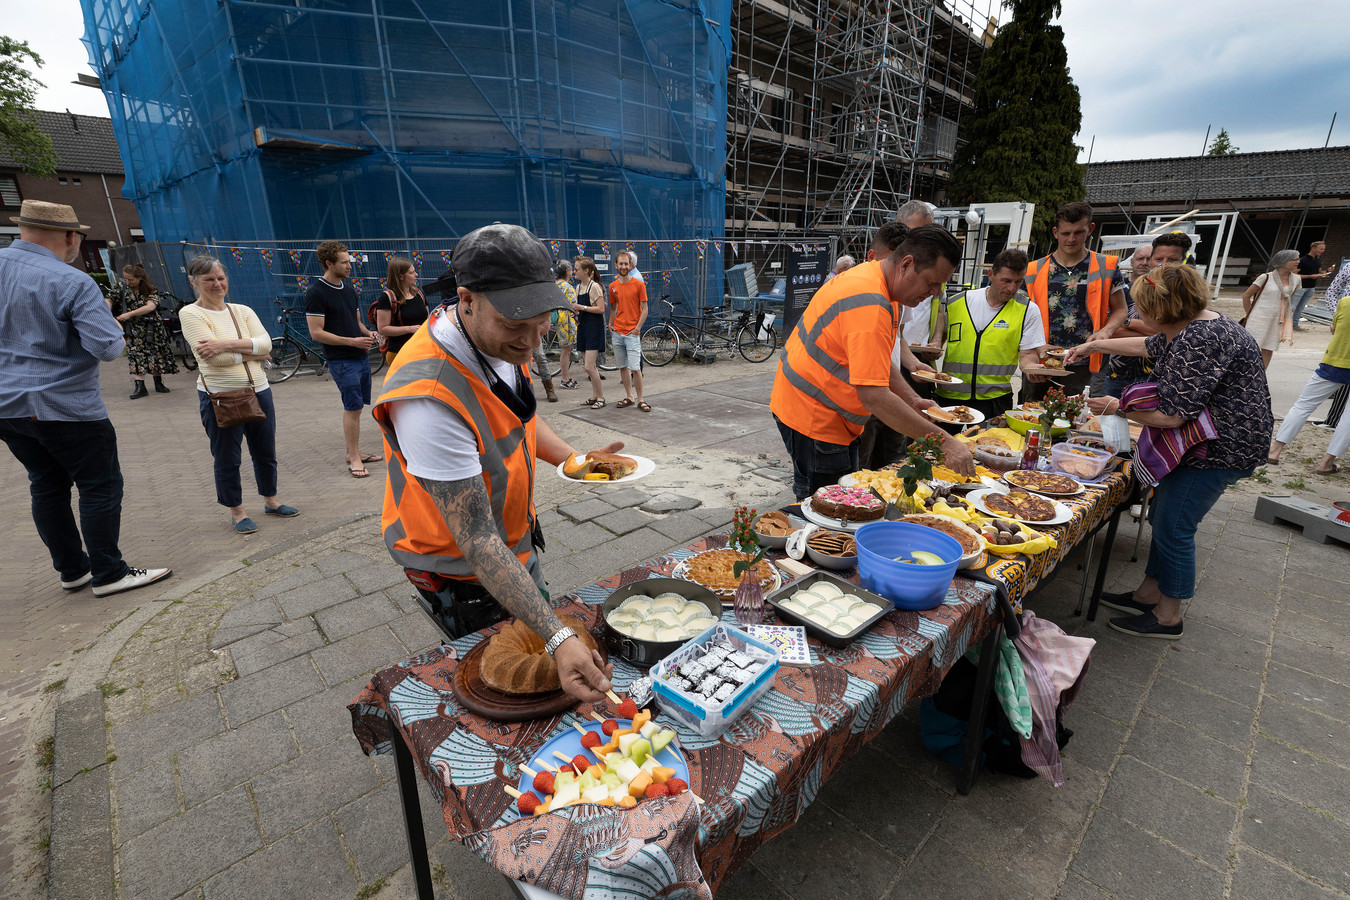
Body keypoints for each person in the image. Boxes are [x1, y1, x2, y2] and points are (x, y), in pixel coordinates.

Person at [372, 223, 616, 702]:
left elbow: (522, 419)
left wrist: (576, 459)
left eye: (541, 321)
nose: (532, 342)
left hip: (512, 541)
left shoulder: (495, 336)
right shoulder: (430, 398)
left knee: (543, 648)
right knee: (500, 681)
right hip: (460, 570)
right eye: (516, 324)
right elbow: (477, 540)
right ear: (467, 299)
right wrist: (558, 637)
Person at [1067, 264, 1271, 640]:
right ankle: (1148, 594)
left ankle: (1168, 617)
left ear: (1162, 309)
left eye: (1141, 306)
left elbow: (1173, 416)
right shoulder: (1195, 325)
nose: (1136, 314)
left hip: (1218, 449)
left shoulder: (1201, 338)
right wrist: (1094, 345)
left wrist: (1117, 407)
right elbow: (1148, 345)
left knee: (1174, 527)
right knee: (1164, 515)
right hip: (1212, 442)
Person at [0, 200, 171, 597]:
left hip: (7, 405)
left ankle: (73, 570)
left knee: (46, 485)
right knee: (99, 485)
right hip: (64, 405)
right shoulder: (72, 281)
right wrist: (114, 330)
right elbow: (107, 348)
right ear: (70, 236)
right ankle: (109, 573)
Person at [769, 225, 974, 498]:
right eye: (931, 282)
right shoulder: (870, 302)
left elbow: (877, 362)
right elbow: (875, 396)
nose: (936, 293)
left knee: (848, 498)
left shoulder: (884, 287)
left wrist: (913, 400)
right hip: (814, 417)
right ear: (906, 264)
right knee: (825, 510)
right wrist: (944, 442)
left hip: (826, 413)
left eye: (941, 285)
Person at [179, 256, 299, 533]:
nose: (217, 284)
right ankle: (237, 511)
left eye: (221, 278)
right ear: (193, 282)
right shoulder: (191, 314)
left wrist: (224, 344)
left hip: (259, 390)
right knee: (227, 457)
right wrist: (252, 352)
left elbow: (267, 344)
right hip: (221, 396)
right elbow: (214, 360)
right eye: (209, 279)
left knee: (265, 452)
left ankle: (271, 500)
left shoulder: (242, 311)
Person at [1023, 202, 1127, 398]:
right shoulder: (1033, 270)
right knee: (1032, 411)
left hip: (1085, 362)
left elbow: (1120, 309)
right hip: (1041, 361)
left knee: (1076, 413)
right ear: (1055, 232)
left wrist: (1106, 331)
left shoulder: (1106, 266)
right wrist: (1027, 356)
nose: (1071, 239)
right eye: (1065, 233)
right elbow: (1021, 316)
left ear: (1090, 229)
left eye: (1078, 232)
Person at [935, 249, 1048, 419]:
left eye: (1018, 282)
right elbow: (938, 339)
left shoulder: (1028, 310)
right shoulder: (957, 302)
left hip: (995, 399)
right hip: (949, 396)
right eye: (1006, 281)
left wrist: (1031, 368)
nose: (1012, 288)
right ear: (990, 274)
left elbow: (1028, 354)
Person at [305, 241, 382, 477]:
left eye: (349, 261)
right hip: (342, 360)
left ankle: (353, 452)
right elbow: (316, 333)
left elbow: (355, 322)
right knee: (352, 407)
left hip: (360, 357)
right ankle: (354, 458)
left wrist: (369, 333)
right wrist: (352, 342)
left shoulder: (348, 290)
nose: (350, 266)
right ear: (329, 263)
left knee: (357, 407)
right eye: (344, 262)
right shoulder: (316, 293)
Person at [1268, 289, 1350, 475]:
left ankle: (1275, 451)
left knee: (1303, 405)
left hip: (1335, 361)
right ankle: (1326, 462)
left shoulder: (1345, 302)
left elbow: (1334, 329)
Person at [1103, 233, 1193, 399]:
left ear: (1182, 261)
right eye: (1158, 259)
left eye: (1172, 260)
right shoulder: (1127, 290)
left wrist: (1128, 322)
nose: (1163, 265)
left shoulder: (1187, 297)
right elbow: (1112, 331)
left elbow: (1177, 335)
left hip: (1159, 377)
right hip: (1119, 373)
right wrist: (1159, 331)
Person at [112, 263, 178, 398]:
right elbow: (109, 299)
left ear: (140, 278)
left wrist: (129, 314)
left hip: (152, 327)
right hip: (133, 329)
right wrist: (108, 314)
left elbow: (150, 307)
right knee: (135, 354)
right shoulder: (121, 288)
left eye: (131, 279)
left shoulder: (150, 290)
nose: (127, 282)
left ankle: (158, 382)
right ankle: (140, 386)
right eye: (125, 278)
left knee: (156, 353)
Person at [1241, 249, 1300, 369]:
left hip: (1277, 321)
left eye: (1298, 259)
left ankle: (1260, 376)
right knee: (1251, 348)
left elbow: (1288, 299)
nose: (1298, 262)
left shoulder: (1297, 279)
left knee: (1268, 349)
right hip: (1258, 319)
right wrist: (1250, 315)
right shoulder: (1266, 277)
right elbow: (1246, 296)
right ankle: (1243, 373)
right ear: (1283, 261)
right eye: (1294, 259)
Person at [608, 249, 650, 411]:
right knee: (623, 367)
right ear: (616, 265)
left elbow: (645, 309)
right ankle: (629, 397)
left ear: (630, 265)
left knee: (636, 368)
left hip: (632, 333)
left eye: (626, 264)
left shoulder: (639, 284)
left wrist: (637, 328)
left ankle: (641, 400)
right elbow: (613, 308)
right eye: (621, 264)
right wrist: (610, 324)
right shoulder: (613, 286)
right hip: (617, 332)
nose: (624, 266)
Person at [374, 257, 430, 369]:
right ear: (400, 276)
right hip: (399, 353)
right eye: (411, 272)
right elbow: (383, 329)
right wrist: (409, 329)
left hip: (423, 351)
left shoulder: (419, 294)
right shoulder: (387, 297)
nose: (416, 275)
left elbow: (427, 319)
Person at [572, 256, 607, 409]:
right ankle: (595, 395)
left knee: (589, 367)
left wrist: (582, 307)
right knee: (591, 368)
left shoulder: (595, 287)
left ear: (586, 271)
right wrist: (575, 312)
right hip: (583, 327)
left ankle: (601, 398)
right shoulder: (579, 287)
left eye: (576, 269)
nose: (574, 271)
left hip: (594, 328)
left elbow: (601, 309)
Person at [1291, 241, 1332, 331]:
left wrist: (1327, 272)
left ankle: (1294, 325)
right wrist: (1310, 276)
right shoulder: (1302, 260)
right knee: (1292, 307)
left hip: (1311, 287)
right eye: (1320, 249)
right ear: (1313, 248)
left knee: (1300, 307)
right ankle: (1284, 325)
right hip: (1300, 287)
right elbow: (1294, 274)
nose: (1322, 251)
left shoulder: (1317, 261)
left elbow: (1320, 272)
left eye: (1323, 249)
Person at [553, 261, 579, 389]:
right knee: (566, 350)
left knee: (566, 350)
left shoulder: (555, 285)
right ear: (567, 271)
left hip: (560, 319)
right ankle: (565, 378)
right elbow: (573, 305)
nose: (573, 271)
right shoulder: (567, 287)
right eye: (571, 269)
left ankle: (566, 377)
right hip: (567, 320)